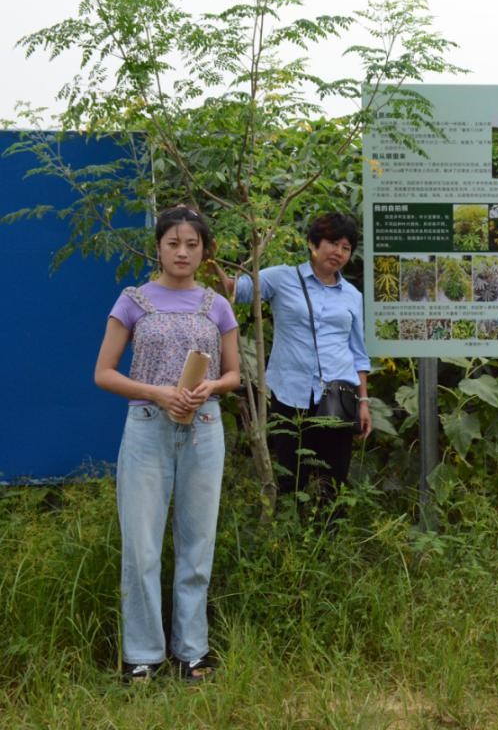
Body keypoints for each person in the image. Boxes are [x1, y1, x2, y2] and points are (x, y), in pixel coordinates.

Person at [94, 205, 241, 683]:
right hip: (146, 428)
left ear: (204, 251)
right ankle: (142, 654)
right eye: (174, 243)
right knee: (141, 545)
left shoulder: (216, 304)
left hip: (204, 429)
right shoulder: (133, 300)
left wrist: (210, 388)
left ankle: (192, 651)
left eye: (192, 244)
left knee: (197, 543)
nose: (183, 252)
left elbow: (235, 374)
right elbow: (104, 373)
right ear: (158, 246)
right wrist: (157, 391)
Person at [232, 212, 372, 504]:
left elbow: (358, 353)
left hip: (337, 394)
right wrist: (208, 258)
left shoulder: (352, 295)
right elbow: (237, 292)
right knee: (289, 476)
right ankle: (289, 541)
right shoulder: (282, 278)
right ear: (312, 243)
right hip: (289, 391)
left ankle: (328, 543)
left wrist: (364, 402)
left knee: (332, 480)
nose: (338, 252)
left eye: (346, 247)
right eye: (332, 243)